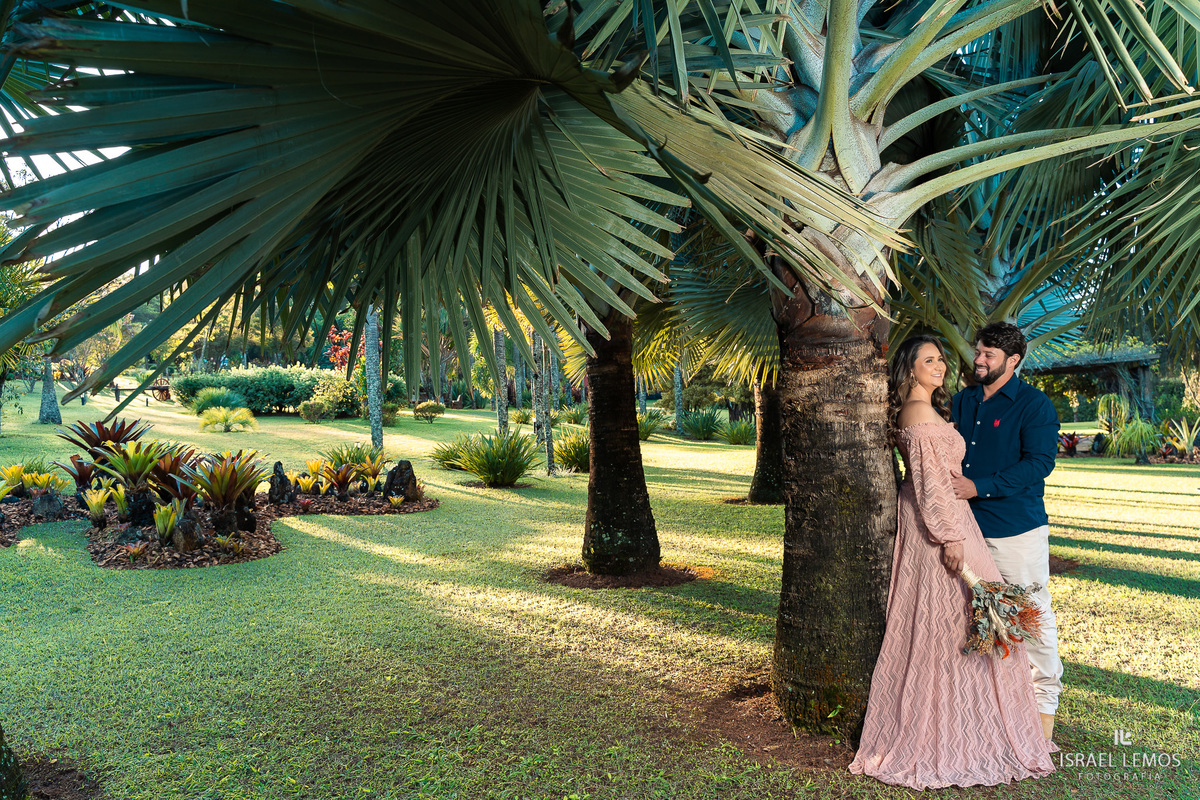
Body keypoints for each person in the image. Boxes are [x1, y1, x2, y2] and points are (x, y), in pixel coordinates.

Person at [849, 335, 1054, 790]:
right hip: (943, 527)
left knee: (983, 620)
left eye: (942, 359)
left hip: (970, 522)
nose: (943, 366)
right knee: (947, 628)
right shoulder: (922, 413)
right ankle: (943, 732)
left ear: (1013, 361)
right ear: (910, 369)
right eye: (929, 360)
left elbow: (1037, 462)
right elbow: (928, 483)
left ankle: (1012, 720)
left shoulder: (943, 408)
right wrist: (949, 537)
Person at [950, 321, 1063, 741]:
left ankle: (1042, 720)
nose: (978, 360)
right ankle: (992, 715)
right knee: (978, 621)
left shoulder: (1035, 406)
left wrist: (980, 486)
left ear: (1013, 361)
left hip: (1016, 532)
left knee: (1031, 619)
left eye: (989, 355)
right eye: (978, 351)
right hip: (967, 532)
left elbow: (1039, 464)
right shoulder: (962, 401)